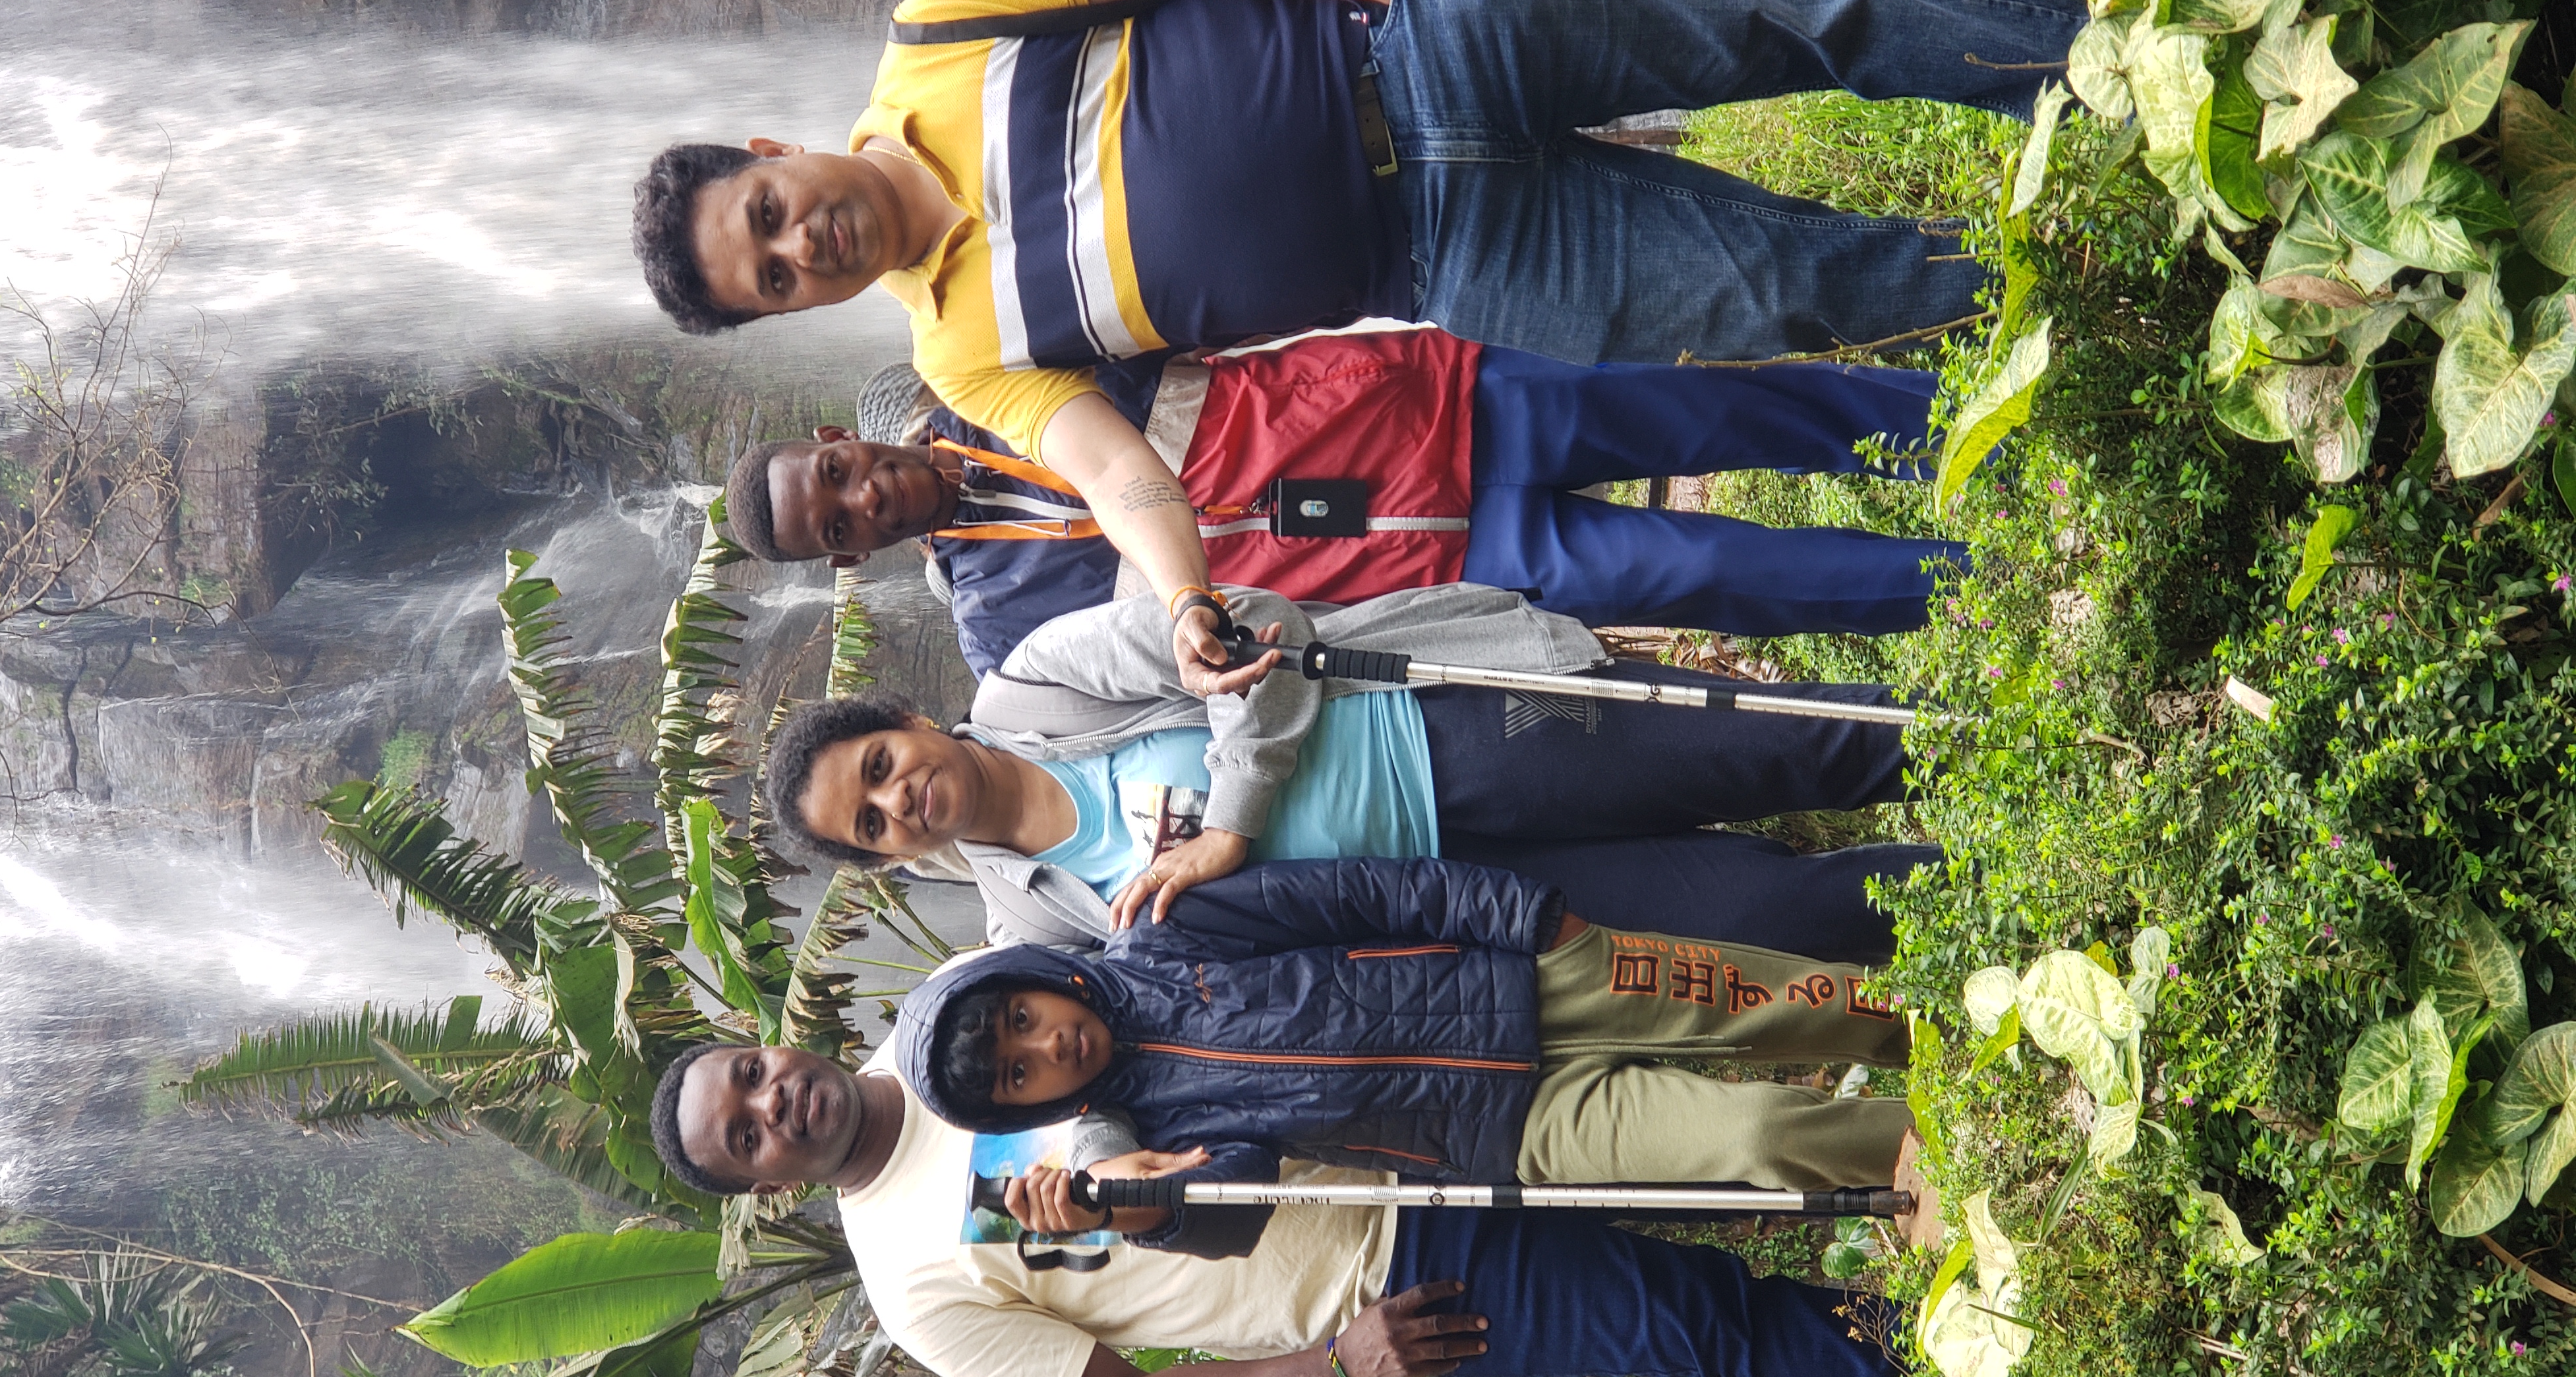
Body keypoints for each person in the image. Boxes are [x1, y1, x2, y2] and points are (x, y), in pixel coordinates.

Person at [632, 0, 2084, 691]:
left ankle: (2096, 68)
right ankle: (2092, 303)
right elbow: (1122, 468)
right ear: (787, 318)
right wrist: (1187, 599)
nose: (798, 245)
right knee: (1797, 295)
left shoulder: (941, 29)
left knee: (1800, 27)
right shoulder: (965, 354)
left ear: (774, 152)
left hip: (1429, 47)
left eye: (767, 214)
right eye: (771, 281)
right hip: (1455, 256)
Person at [644, 1033, 1903, 1377]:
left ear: (770, 1040)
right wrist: (1333, 1369)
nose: (774, 1104)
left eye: (750, 1075)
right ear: (763, 1189)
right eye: (746, 1135)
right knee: (1695, 1318)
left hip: (1411, 1116)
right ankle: (1958, 1338)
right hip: (1397, 1278)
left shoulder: (948, 1021)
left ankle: (1935, 1184)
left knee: (1717, 1155)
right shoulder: (914, 1283)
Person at [763, 580, 1936, 962]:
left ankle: (1993, 743)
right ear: (884, 861)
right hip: (1460, 908)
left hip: (1456, 730)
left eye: (878, 765)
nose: (896, 801)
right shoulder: (1030, 922)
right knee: (1758, 919)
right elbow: (1137, 1020)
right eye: (870, 825)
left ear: (910, 720)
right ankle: (1981, 882)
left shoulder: (1039, 684)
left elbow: (1256, 625)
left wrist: (1231, 821)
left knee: (1774, 743)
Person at [728, 331, 1963, 679]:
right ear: (847, 563)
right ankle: (1967, 585)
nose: (862, 503)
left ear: (840, 438)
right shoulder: (1003, 635)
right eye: (837, 528)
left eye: (835, 476)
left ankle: (1953, 424)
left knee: (1716, 410)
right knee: (1705, 575)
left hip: (1416, 408)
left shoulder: (987, 360)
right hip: (1430, 571)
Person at [893, 855, 1916, 1262]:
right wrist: (1134, 1205)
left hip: (1531, 976)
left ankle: (1945, 1033)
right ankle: (1947, 1153)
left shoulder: (1170, 924)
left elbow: (1359, 895)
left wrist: (1530, 919)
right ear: (1028, 1111)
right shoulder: (1148, 1135)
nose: (1045, 1046)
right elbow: (1244, 1208)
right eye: (1021, 1076)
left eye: (1019, 1019)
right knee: (1760, 1134)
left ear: (1028, 976)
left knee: (1787, 1002)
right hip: (1504, 1132)